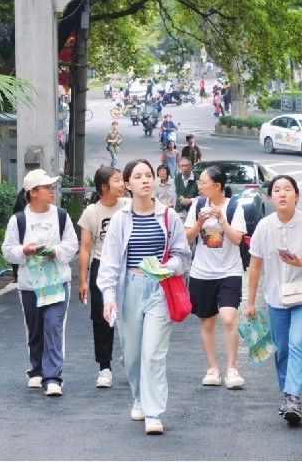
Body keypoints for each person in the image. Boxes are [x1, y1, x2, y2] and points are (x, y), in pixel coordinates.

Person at [97, 159, 191, 435]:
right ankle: (138, 396)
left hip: (159, 288)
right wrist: (108, 296)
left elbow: (183, 255)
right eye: (138, 176)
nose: (145, 180)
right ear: (127, 185)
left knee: (153, 354)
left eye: (148, 175)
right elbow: (110, 262)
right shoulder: (120, 219)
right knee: (134, 353)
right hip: (130, 288)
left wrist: (167, 267)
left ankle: (153, 412)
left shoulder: (168, 216)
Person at [244, 175, 302, 425]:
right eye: (277, 190)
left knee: (296, 343)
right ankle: (287, 395)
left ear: (297, 196)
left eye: (288, 189)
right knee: (281, 349)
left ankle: (294, 397)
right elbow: (255, 266)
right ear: (271, 197)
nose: (282, 194)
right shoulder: (264, 226)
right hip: (275, 297)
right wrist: (250, 303)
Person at [2, 169, 78, 396]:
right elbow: (8, 250)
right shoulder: (19, 220)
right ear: (33, 192)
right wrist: (24, 251)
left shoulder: (61, 215)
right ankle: (36, 370)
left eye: (52, 187)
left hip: (57, 282)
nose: (52, 191)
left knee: (53, 326)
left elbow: (71, 244)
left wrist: (57, 251)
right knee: (34, 329)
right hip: (29, 284)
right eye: (47, 188)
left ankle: (53, 377)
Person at [184, 166, 247, 390]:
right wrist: (199, 224)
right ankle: (212, 368)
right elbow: (186, 239)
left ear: (217, 186)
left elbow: (238, 239)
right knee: (207, 321)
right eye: (199, 182)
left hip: (229, 271)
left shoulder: (234, 207)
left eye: (203, 182)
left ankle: (232, 368)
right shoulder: (197, 206)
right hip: (202, 272)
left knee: (228, 318)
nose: (199, 186)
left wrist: (221, 220)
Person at [77, 167, 128, 389]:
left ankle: (131, 354)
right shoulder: (91, 212)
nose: (122, 184)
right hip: (101, 265)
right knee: (102, 318)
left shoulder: (128, 205)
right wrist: (82, 280)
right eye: (117, 180)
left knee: (130, 312)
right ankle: (104, 367)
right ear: (104, 187)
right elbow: (85, 249)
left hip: (127, 264)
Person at [174, 158, 199, 222]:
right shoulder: (177, 177)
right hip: (179, 210)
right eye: (182, 166)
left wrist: (191, 200)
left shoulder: (198, 178)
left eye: (186, 165)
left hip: (193, 210)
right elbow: (175, 194)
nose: (184, 168)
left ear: (190, 166)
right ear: (179, 167)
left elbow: (203, 196)